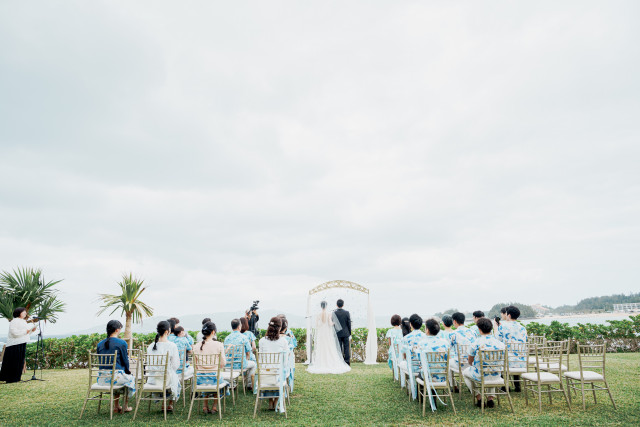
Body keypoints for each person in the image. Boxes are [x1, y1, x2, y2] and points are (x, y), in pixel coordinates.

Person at [463, 318, 506, 408]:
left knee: (465, 373)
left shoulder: (476, 343)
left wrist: (473, 365)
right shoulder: (500, 344)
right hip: (496, 375)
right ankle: (490, 399)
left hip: (481, 375)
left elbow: (470, 360)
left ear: (479, 329)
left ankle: (479, 398)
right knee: (491, 369)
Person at [95, 320, 136, 413]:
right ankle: (125, 406)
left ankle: (116, 406)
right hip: (114, 378)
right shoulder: (121, 343)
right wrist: (127, 371)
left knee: (118, 375)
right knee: (129, 378)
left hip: (101, 379)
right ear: (117, 330)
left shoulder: (99, 344)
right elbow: (125, 360)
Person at [307, 301, 351, 374]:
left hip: (321, 334)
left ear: (321, 306)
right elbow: (330, 323)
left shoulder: (318, 314)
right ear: (326, 306)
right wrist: (334, 323)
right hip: (328, 333)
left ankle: (321, 363)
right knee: (329, 347)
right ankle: (331, 362)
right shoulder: (329, 314)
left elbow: (317, 325)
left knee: (322, 348)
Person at [146, 321, 181, 412]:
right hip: (166, 379)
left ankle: (164, 402)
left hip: (152, 379)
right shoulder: (172, 346)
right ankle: (169, 404)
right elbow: (175, 365)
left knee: (169, 376)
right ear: (167, 331)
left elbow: (149, 364)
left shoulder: (150, 346)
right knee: (173, 377)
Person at [192, 321, 226, 414]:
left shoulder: (196, 346)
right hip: (215, 377)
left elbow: (195, 365)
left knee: (206, 380)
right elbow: (223, 363)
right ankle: (214, 406)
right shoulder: (219, 345)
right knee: (219, 380)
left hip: (200, 379)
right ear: (213, 332)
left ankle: (204, 406)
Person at [258, 317, 290, 410]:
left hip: (264, 374)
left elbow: (261, 359)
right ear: (280, 328)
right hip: (277, 374)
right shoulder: (283, 341)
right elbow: (285, 361)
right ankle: (275, 402)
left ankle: (270, 402)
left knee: (269, 371)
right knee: (280, 372)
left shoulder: (262, 341)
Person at [0, 307, 36, 383]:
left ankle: (17, 378)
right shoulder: (14, 321)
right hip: (14, 343)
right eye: (23, 312)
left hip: (22, 342)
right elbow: (14, 332)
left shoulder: (24, 321)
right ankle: (10, 379)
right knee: (13, 361)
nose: (25, 313)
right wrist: (25, 331)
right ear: (18, 312)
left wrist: (31, 331)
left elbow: (25, 333)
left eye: (25, 312)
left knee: (20, 361)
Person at [497, 305, 528, 392]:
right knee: (514, 355)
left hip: (508, 362)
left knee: (501, 357)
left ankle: (504, 386)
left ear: (509, 315)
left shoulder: (502, 327)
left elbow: (497, 341)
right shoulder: (523, 328)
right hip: (522, 361)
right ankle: (517, 385)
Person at [224, 319, 256, 389]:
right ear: (239, 327)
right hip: (240, 365)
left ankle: (232, 383)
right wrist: (246, 360)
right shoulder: (244, 338)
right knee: (253, 364)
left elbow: (225, 352)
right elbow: (248, 352)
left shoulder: (227, 338)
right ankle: (249, 384)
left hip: (228, 365)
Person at [418, 319, 450, 384]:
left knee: (420, 374)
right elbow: (448, 359)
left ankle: (421, 393)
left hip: (428, 376)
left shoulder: (422, 343)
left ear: (427, 330)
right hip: (443, 375)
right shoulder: (445, 343)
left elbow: (420, 360)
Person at [449, 312, 476, 389]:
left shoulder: (452, 334)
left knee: (448, 362)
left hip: (460, 364)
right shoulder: (473, 332)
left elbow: (448, 349)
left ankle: (453, 386)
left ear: (454, 321)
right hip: (472, 363)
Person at [333, 299, 352, 365]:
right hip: (346, 333)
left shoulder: (334, 313)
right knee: (346, 348)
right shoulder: (347, 312)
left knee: (339, 348)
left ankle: (340, 362)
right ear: (343, 305)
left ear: (336, 305)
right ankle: (347, 362)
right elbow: (349, 323)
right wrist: (350, 333)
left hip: (338, 333)